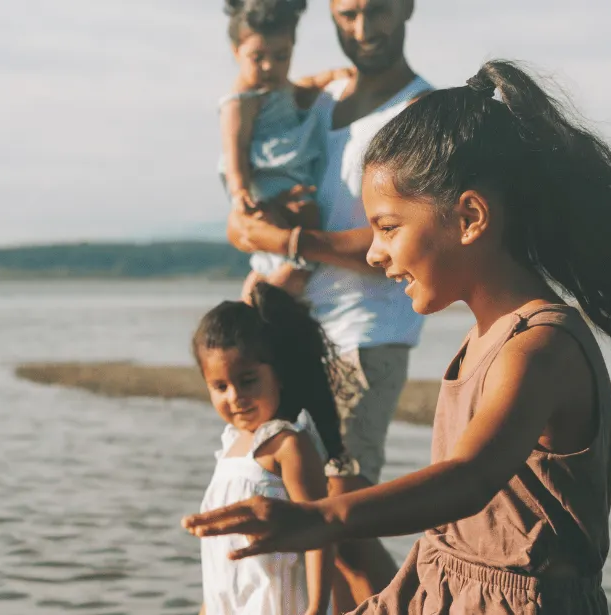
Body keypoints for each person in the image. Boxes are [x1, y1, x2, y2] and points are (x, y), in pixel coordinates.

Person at [190, 60, 611, 614]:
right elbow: (449, 551)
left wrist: (321, 517)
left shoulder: (540, 346)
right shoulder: (477, 345)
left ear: (471, 217)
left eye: (387, 227)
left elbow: (469, 480)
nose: (375, 253)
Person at [223, 0, 430, 603]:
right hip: (296, 329)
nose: (364, 30)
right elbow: (248, 110)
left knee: (342, 518)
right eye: (347, 13)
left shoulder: (420, 109)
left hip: (367, 332)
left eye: (378, 10)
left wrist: (290, 243)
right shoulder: (322, 98)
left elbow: (406, 230)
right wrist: (247, 224)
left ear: (408, 7)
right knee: (301, 509)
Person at [193, 282, 351, 614]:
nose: (235, 397)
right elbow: (221, 556)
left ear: (278, 374)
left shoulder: (288, 445)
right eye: (220, 387)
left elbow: (319, 532)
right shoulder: (230, 447)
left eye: (247, 380)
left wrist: (317, 608)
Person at [218, 0, 352, 297]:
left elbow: (305, 85)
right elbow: (234, 152)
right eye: (258, 57)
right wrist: (240, 193)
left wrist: (332, 76)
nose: (270, 66)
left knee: (303, 219)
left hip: (290, 175)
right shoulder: (239, 101)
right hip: (263, 179)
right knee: (289, 226)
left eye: (281, 56)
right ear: (236, 51)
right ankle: (278, 284)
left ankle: (269, 280)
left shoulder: (280, 88)